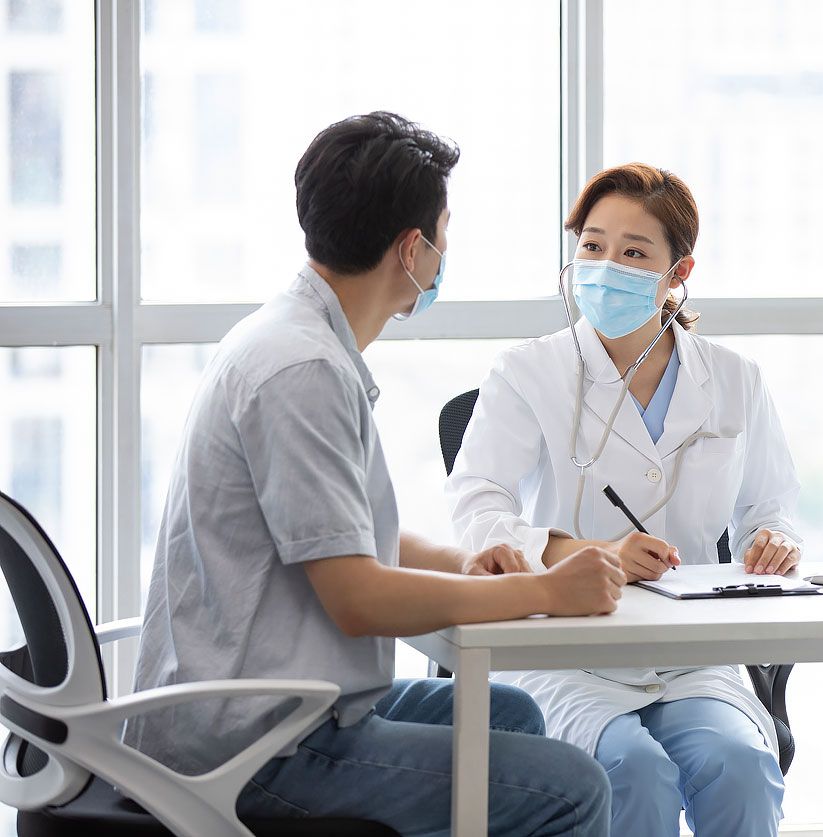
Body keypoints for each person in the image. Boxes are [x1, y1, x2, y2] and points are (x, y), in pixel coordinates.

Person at [124, 112, 622, 837]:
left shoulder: (296, 339)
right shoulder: (302, 371)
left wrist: (465, 564)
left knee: (509, 712)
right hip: (254, 747)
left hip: (273, 704)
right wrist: (540, 590)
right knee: (571, 787)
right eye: (444, 232)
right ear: (412, 249)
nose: (446, 251)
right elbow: (357, 596)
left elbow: (342, 535)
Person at [447, 163, 801, 836]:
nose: (606, 265)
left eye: (633, 252)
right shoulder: (527, 371)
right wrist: (591, 553)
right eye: (592, 245)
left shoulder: (733, 379)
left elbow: (769, 504)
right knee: (630, 770)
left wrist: (773, 539)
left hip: (691, 650)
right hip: (565, 647)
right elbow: (476, 508)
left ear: (678, 272)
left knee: (739, 763)